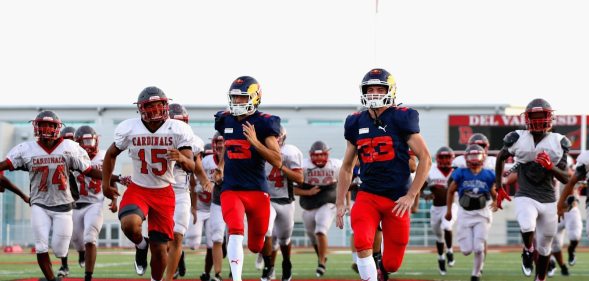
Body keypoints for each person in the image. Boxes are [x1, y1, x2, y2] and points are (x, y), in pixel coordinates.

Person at [102, 87, 210, 281]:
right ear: (141, 109)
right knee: (129, 225)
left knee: (160, 251)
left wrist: (182, 159)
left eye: (159, 105)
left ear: (165, 106)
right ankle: (141, 245)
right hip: (139, 188)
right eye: (150, 106)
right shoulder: (130, 128)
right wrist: (105, 184)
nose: (155, 110)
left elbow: (191, 165)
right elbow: (110, 154)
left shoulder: (177, 129)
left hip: (164, 192)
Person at [335, 68, 432, 281]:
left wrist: (411, 195)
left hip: (397, 198)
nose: (375, 94)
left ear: (391, 91)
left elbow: (425, 158)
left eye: (380, 89)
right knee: (361, 241)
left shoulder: (401, 117)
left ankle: (381, 264)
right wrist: (340, 202)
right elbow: (346, 167)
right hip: (368, 194)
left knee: (392, 264)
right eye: (370, 89)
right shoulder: (355, 121)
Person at [0, 110, 114, 281]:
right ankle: (51, 279)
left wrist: (115, 178)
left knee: (60, 249)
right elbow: (5, 165)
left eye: (50, 125)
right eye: (42, 125)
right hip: (40, 203)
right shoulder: (26, 148)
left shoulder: (69, 147)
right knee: (41, 246)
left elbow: (89, 170)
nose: (46, 129)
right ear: (36, 127)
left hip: (64, 206)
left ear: (56, 127)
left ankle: (62, 265)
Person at [213, 76, 282, 281]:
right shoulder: (225, 119)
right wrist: (221, 166)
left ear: (254, 98)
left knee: (255, 245)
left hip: (257, 190)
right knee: (234, 229)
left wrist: (255, 142)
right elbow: (228, 144)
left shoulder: (264, 123)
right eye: (234, 98)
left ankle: (263, 257)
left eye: (242, 99)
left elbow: (278, 161)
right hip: (231, 189)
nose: (237, 103)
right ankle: (236, 278)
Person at [495, 98, 570, 281]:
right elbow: (500, 157)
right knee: (527, 224)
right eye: (534, 116)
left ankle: (540, 278)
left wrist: (550, 166)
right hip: (526, 194)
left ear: (549, 117)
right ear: (527, 118)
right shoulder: (517, 138)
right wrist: (499, 187)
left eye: (541, 116)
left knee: (545, 248)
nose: (537, 120)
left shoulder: (559, 142)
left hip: (549, 199)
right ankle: (528, 250)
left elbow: (566, 178)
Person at [163, 103, 207, 281]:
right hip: (160, 191)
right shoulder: (157, 137)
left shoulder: (194, 141)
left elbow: (197, 167)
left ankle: (170, 276)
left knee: (177, 236)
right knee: (161, 240)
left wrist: (204, 180)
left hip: (181, 191)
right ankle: (176, 260)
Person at [70, 125, 118, 281]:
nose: (87, 145)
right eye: (83, 142)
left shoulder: (104, 156)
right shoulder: (72, 156)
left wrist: (114, 199)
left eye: (90, 141)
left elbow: (110, 177)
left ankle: (88, 276)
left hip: (95, 204)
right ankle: (81, 253)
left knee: (90, 238)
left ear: (96, 141)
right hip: (75, 205)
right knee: (77, 240)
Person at [257, 125, 304, 281]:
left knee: (284, 239)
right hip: (266, 199)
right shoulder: (259, 150)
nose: (273, 140)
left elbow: (300, 179)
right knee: (266, 231)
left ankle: (286, 262)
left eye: (275, 136)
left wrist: (281, 166)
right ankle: (269, 266)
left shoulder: (291, 152)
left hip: (285, 200)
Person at [445, 144, 498, 281]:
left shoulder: (488, 174)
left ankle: (476, 274)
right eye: (472, 155)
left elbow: (493, 191)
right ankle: (475, 268)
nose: (474, 159)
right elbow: (451, 191)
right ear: (466, 158)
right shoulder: (461, 172)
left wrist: (496, 201)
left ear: (483, 157)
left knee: (479, 247)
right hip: (465, 213)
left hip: (482, 213)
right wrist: (449, 210)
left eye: (477, 155)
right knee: (466, 250)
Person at [295, 140, 341, 277]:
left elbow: (346, 181)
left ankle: (321, 262)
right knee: (311, 234)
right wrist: (307, 192)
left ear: (328, 154)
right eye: (316, 155)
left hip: (329, 201)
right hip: (310, 203)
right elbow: (291, 188)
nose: (319, 158)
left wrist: (345, 203)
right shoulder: (303, 166)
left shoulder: (336, 165)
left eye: (322, 155)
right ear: (310, 155)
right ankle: (321, 257)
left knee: (320, 229)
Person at [424, 146, 456, 275]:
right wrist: (425, 195)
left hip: (451, 206)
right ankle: (441, 258)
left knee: (447, 226)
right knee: (438, 236)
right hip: (436, 208)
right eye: (442, 157)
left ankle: (449, 250)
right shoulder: (431, 171)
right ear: (437, 158)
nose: (444, 160)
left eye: (447, 157)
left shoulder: (456, 171)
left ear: (452, 158)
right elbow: (420, 188)